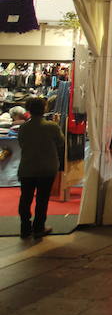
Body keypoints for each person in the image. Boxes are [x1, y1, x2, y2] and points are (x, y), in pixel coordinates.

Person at [17, 97, 64, 238]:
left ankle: (25, 228)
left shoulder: (23, 127)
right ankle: (38, 227)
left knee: (25, 199)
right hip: (47, 168)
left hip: (27, 167)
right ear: (44, 109)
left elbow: (21, 144)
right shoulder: (52, 126)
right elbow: (61, 143)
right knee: (42, 199)